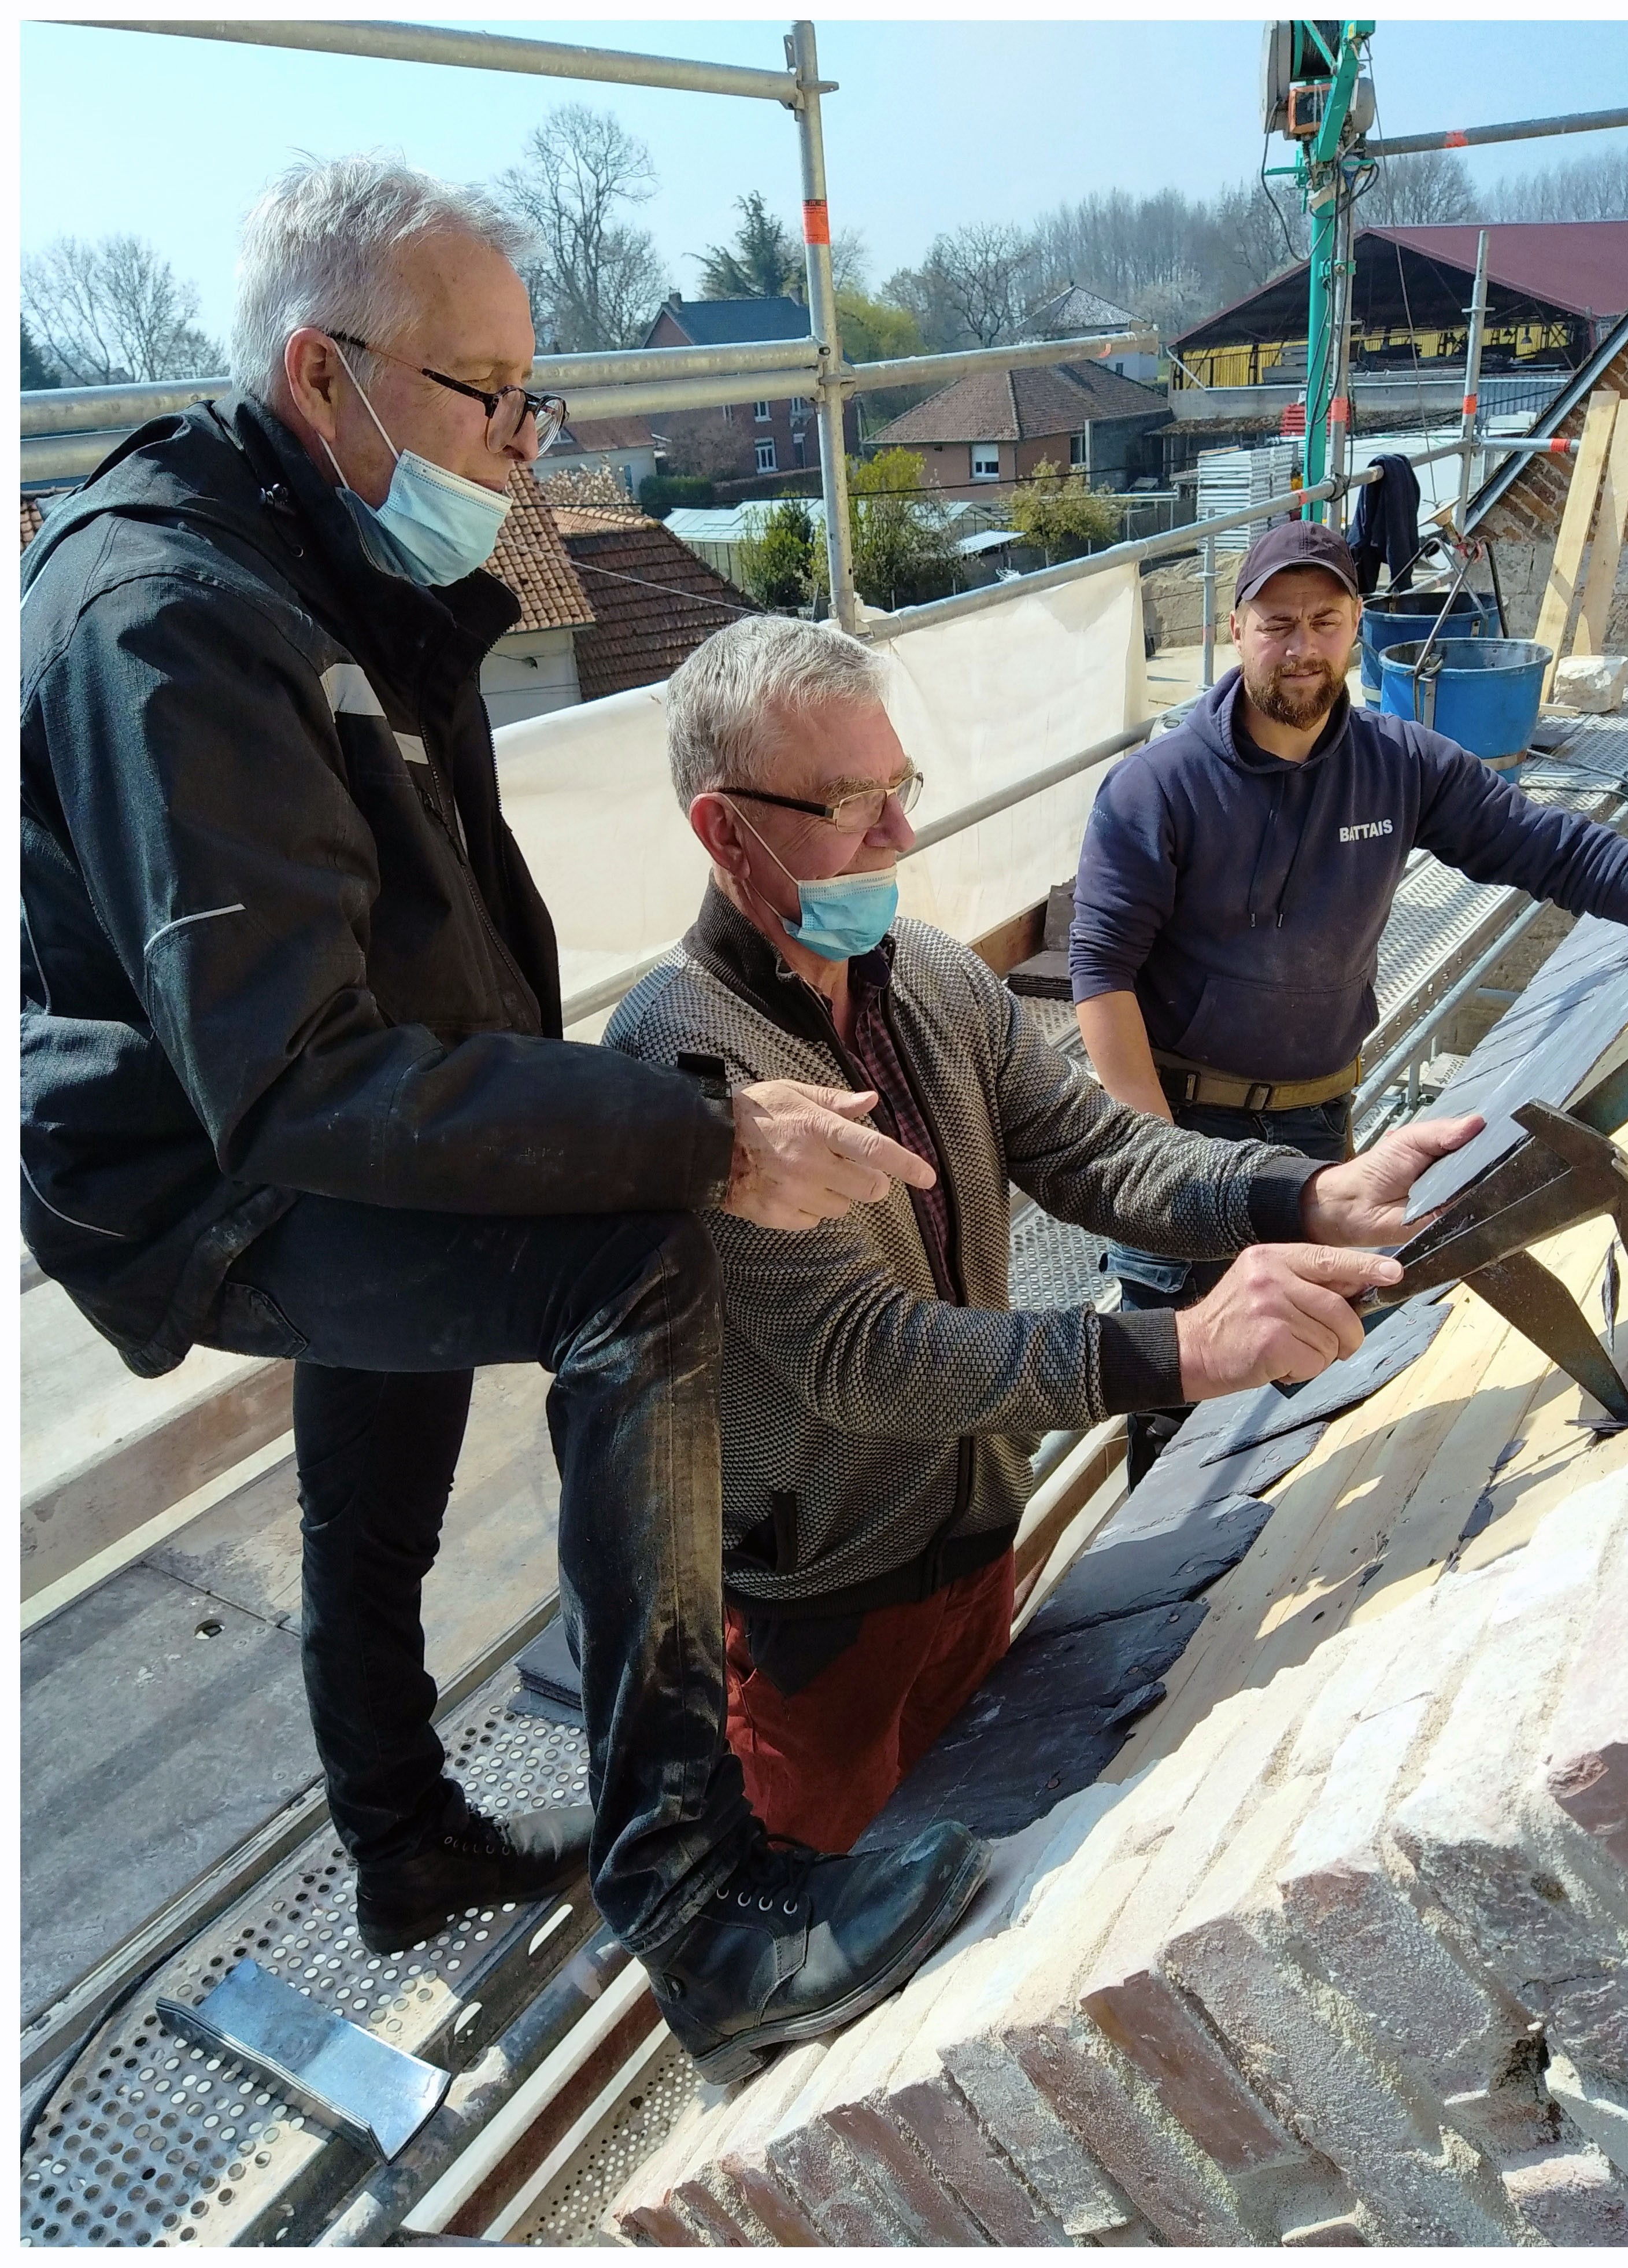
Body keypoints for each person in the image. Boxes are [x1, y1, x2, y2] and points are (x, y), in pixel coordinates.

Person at [20, 157, 993, 2086]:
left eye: (526, 397)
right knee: (628, 1260)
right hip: (204, 1166)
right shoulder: (169, 622)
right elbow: (291, 1078)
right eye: (487, 395)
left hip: (305, 1095)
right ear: (323, 375)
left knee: (388, 1406)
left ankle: (398, 1840)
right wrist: (699, 1140)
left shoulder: (328, 541)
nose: (524, 445)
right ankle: (699, 1901)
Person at [606, 614, 1483, 1855]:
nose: (899, 834)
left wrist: (1303, 1195)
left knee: (964, 1850)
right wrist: (1174, 1349)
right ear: (721, 828)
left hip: (973, 1537)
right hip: (815, 1599)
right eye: (848, 802)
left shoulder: (929, 977)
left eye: (898, 787)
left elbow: (1092, 1147)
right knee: (828, 1906)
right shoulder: (681, 1059)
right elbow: (869, 1356)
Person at [1072, 519, 1628, 1488]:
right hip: (1184, 1119)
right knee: (1176, 1385)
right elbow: (1100, 979)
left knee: (1303, 1368)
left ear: (1356, 626)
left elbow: (1558, 852)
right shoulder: (1157, 788)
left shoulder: (1399, 765)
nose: (1301, 646)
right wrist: (1162, 1161)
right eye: (1277, 622)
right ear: (1236, 628)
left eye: (1323, 620)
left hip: (1317, 1125)